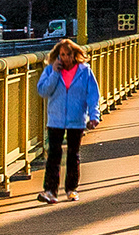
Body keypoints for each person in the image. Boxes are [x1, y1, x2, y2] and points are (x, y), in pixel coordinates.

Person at [37, 37, 101, 202]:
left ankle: (71, 189)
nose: (65, 58)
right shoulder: (51, 71)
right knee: (54, 154)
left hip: (76, 118)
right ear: (57, 56)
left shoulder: (84, 71)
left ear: (75, 55)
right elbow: (43, 91)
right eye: (62, 55)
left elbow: (93, 95)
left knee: (73, 154)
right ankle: (50, 191)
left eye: (68, 54)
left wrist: (94, 116)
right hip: (56, 119)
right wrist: (54, 74)